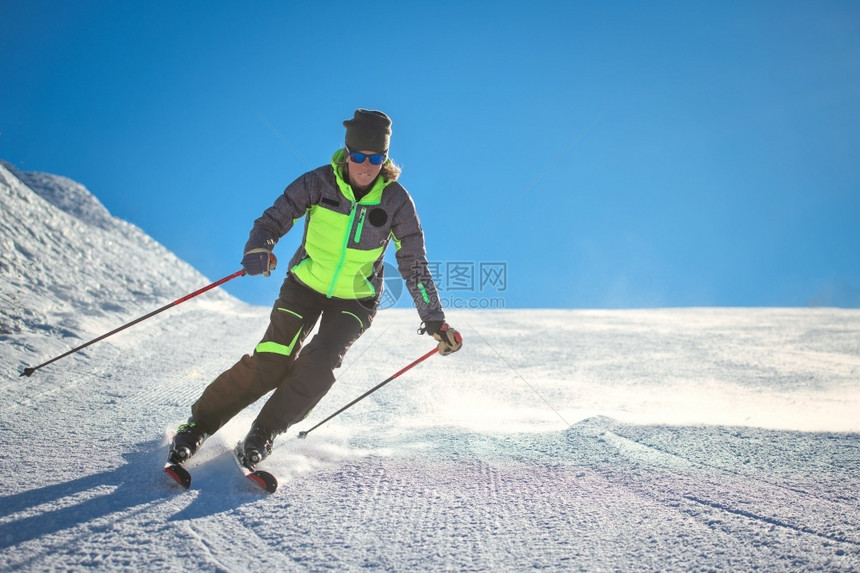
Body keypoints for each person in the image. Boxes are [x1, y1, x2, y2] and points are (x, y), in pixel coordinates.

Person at [168, 109, 462, 469]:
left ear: (385, 159)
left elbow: (414, 263)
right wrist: (260, 246)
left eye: (376, 158)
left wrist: (435, 320)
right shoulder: (318, 182)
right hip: (305, 285)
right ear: (347, 152)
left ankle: (263, 433)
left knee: (320, 365)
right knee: (273, 359)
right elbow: (274, 218)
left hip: (356, 299)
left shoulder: (396, 201)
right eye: (359, 156)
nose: (366, 166)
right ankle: (197, 426)